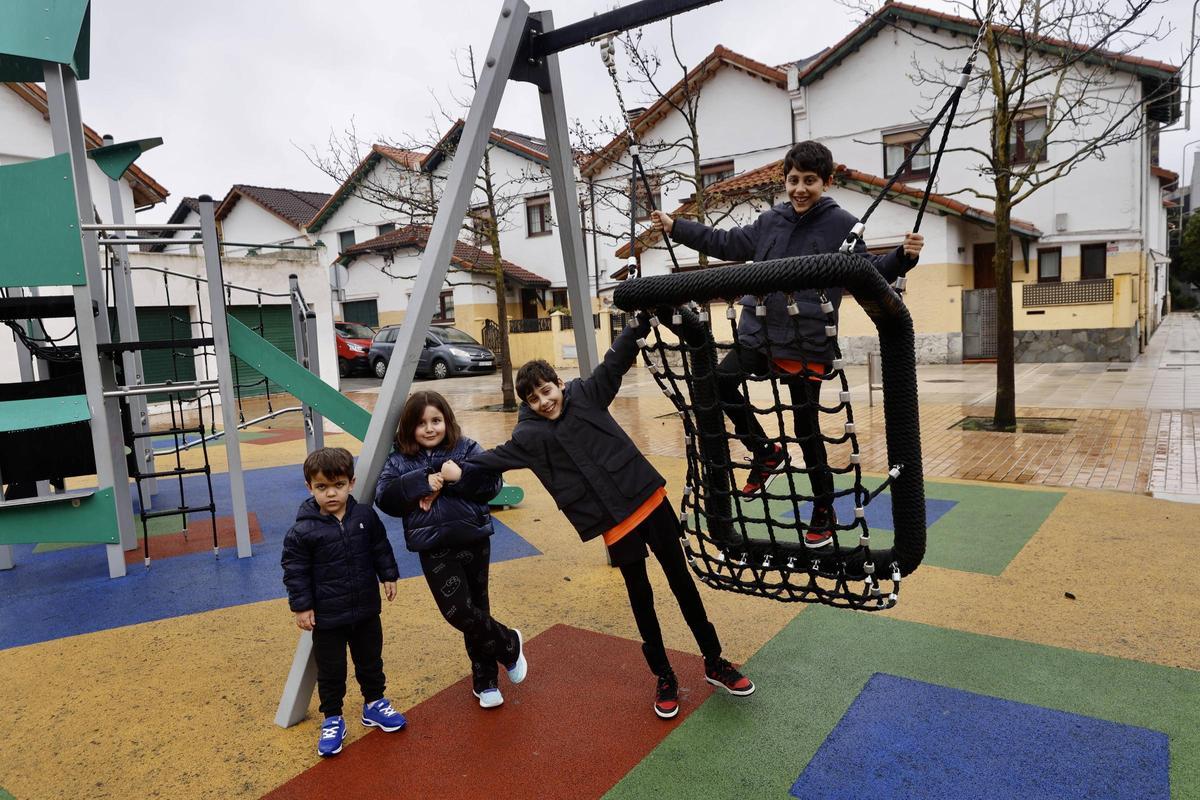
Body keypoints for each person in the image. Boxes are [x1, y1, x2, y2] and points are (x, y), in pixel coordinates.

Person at [450, 319, 755, 720]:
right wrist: (456, 470)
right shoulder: (530, 437)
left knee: (682, 584)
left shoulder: (588, 395)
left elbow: (615, 363)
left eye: (546, 390)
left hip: (647, 500)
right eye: (533, 398)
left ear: (558, 383)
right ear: (526, 403)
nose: (543, 401)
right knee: (641, 598)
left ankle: (714, 661)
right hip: (615, 521)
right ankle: (663, 675)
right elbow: (494, 458)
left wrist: (636, 326)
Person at [650, 140, 925, 549]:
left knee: (806, 428)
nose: (800, 189)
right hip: (759, 334)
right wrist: (677, 227)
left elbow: (868, 273)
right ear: (784, 181)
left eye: (809, 181)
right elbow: (723, 242)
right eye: (793, 180)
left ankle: (823, 506)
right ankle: (765, 452)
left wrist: (903, 256)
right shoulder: (770, 223)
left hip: (806, 342)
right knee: (717, 382)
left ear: (826, 182)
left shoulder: (841, 225)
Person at [374, 390, 527, 710]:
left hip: (472, 538)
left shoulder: (466, 448)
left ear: (447, 421)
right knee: (458, 611)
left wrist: (460, 477)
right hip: (434, 546)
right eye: (421, 423)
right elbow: (385, 498)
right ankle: (508, 644)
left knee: (478, 608)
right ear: (408, 428)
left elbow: (491, 486)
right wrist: (421, 482)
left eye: (436, 421)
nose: (429, 428)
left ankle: (485, 680)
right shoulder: (399, 460)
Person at [281, 447, 407, 758]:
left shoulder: (364, 516)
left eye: (337, 485)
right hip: (328, 617)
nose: (331, 493)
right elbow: (295, 570)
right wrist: (302, 606)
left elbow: (380, 546)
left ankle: (375, 703)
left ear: (351, 483)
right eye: (322, 487)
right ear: (310, 488)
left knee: (370, 660)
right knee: (331, 670)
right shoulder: (303, 529)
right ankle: (333, 718)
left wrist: (388, 575)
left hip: (365, 609)